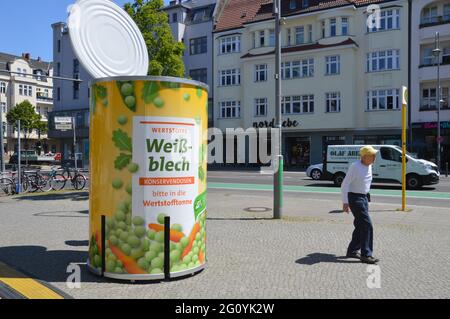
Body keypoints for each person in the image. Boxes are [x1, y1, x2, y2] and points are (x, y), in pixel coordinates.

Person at [341, 145, 379, 264]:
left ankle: (352, 251)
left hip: (363, 198)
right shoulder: (355, 166)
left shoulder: (369, 165)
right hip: (355, 198)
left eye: (374, 155)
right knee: (367, 225)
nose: (374, 157)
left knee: (360, 225)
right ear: (363, 157)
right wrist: (345, 202)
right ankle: (366, 254)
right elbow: (345, 184)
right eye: (371, 155)